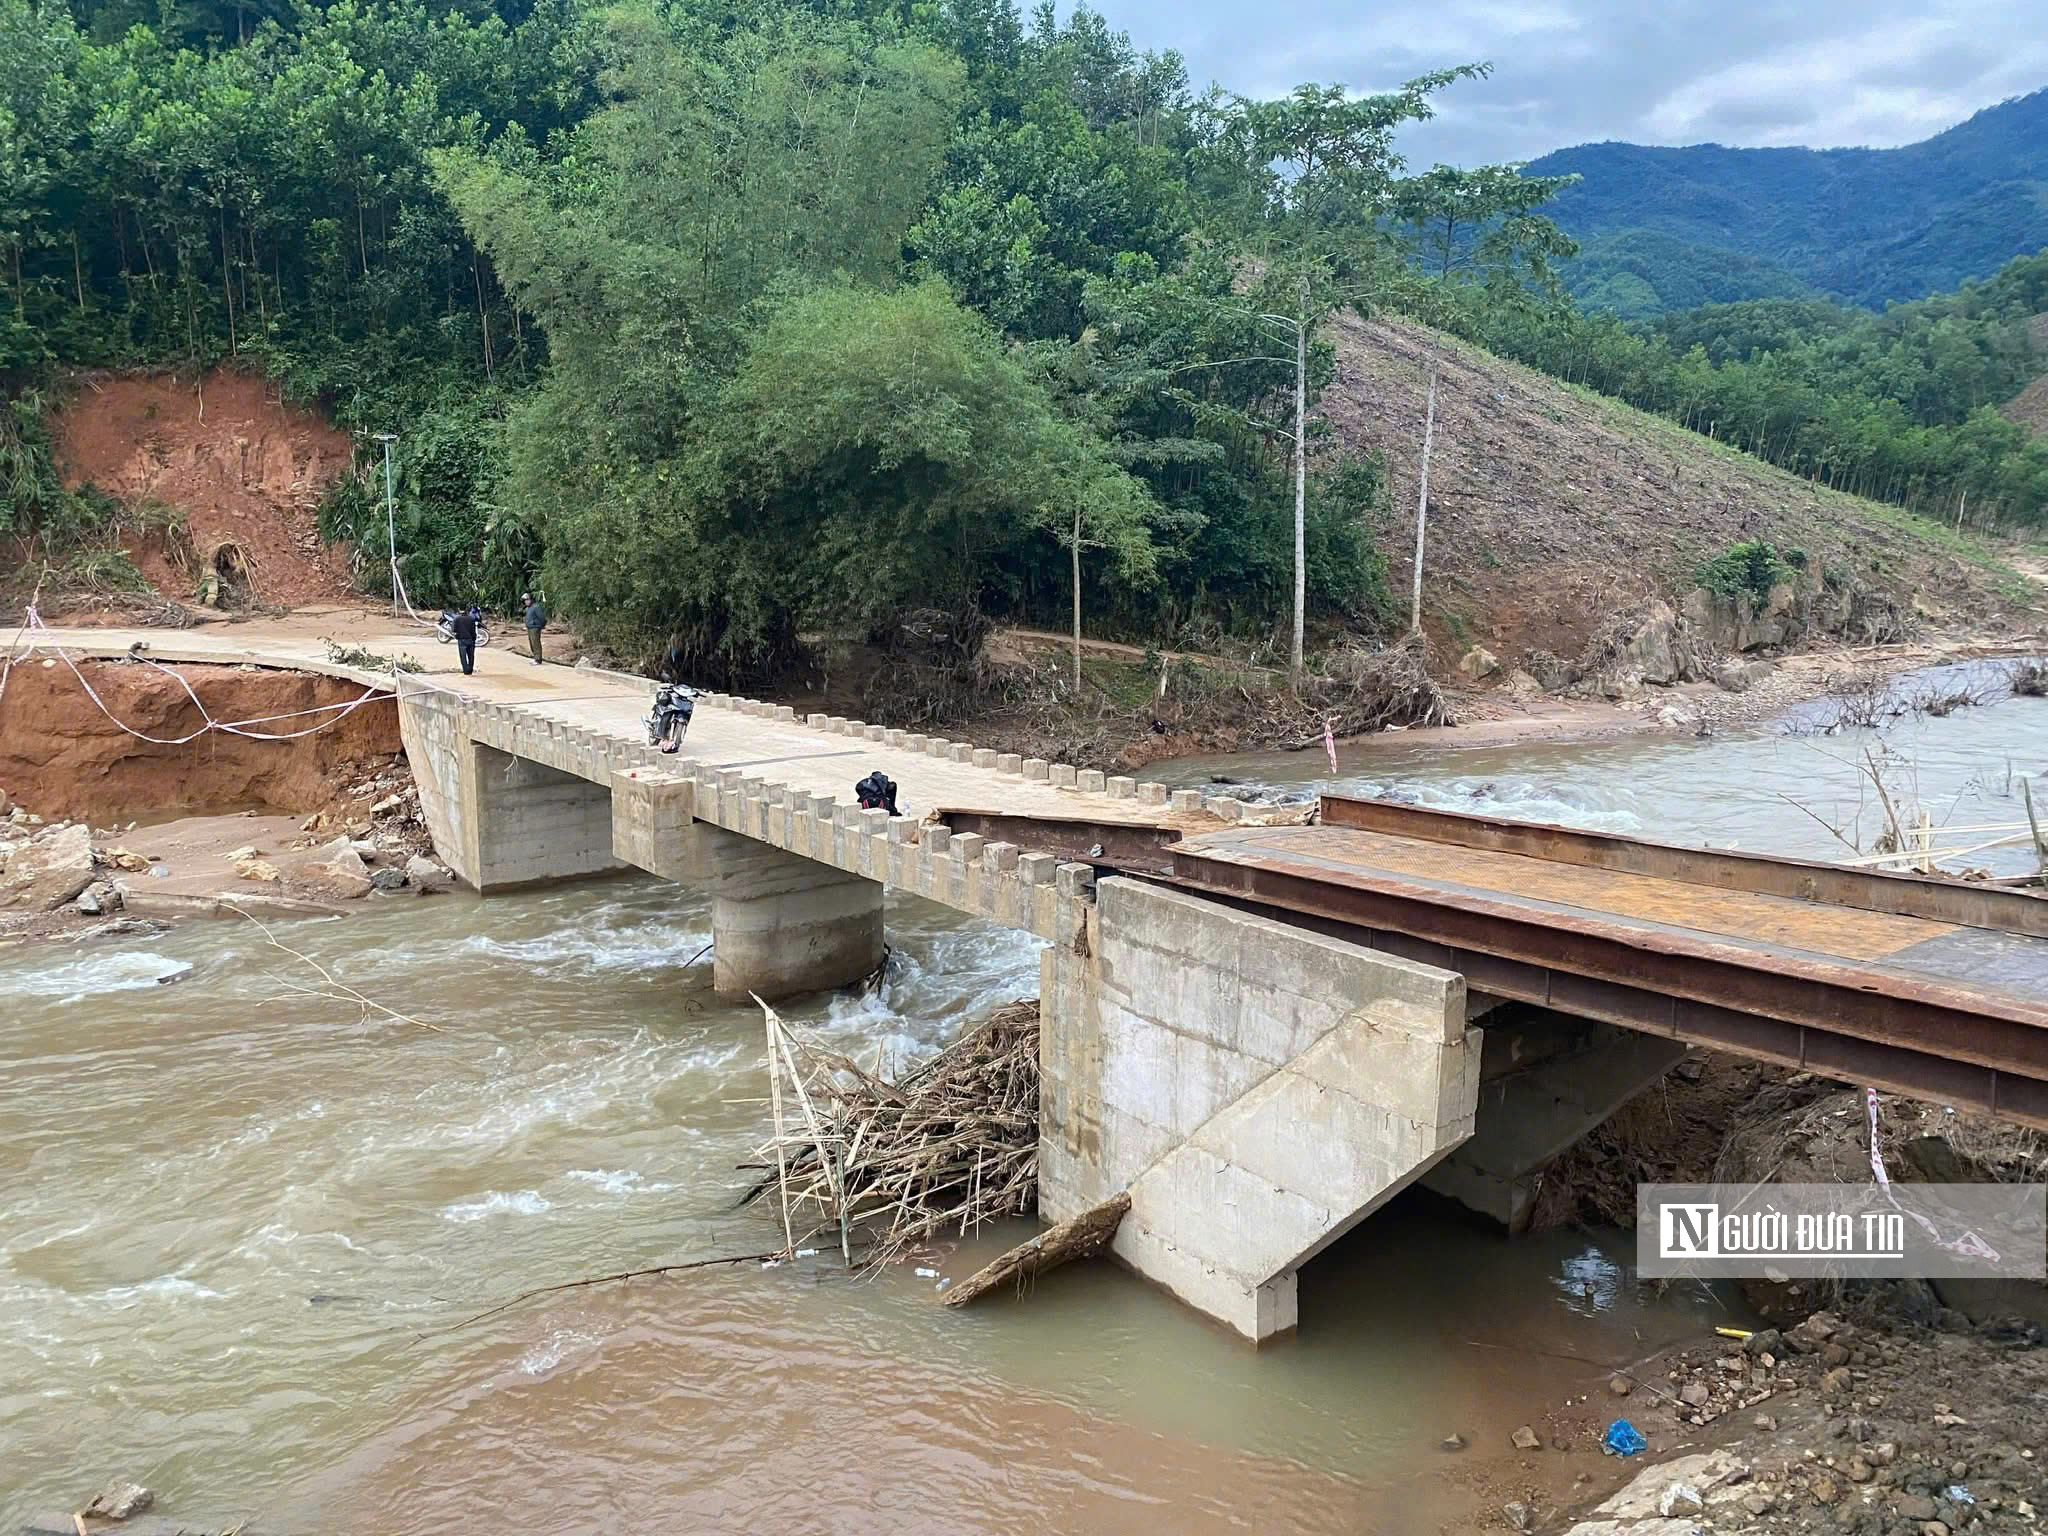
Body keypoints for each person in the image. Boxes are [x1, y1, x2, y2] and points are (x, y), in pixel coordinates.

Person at [451, 604, 478, 676]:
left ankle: (466, 671)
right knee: (471, 656)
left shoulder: (456, 619)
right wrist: (474, 639)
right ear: (467, 610)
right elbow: (473, 631)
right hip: (471, 640)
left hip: (461, 640)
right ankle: (470, 670)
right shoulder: (471, 618)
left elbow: (453, 630)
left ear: (459, 610)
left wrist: (457, 636)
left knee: (463, 656)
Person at [523, 591, 547, 665]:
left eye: (528, 600)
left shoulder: (536, 607)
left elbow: (542, 617)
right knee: (532, 643)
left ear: (531, 600)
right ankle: (535, 657)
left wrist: (540, 625)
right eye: (525, 600)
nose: (526, 602)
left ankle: (538, 659)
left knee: (536, 643)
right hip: (530, 627)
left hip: (535, 627)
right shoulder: (528, 608)